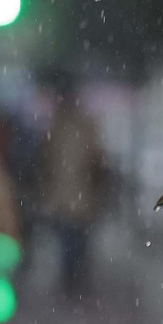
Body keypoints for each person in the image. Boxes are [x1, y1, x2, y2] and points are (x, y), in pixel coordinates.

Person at [38, 73, 107, 297]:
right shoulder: (84, 126)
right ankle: (74, 280)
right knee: (75, 242)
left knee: (70, 242)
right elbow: (97, 161)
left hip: (67, 198)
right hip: (79, 199)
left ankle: (71, 281)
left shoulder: (58, 126)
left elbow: (47, 163)